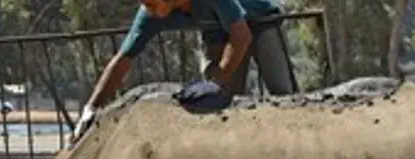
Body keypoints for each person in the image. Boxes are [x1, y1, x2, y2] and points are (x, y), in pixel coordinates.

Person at [70, 0, 297, 144]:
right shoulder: (150, 13)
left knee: (282, 93)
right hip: (217, 33)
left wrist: (217, 79)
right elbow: (123, 59)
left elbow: (242, 35)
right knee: (222, 106)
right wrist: (91, 109)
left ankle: (294, 144)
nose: (149, 7)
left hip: (259, 21)